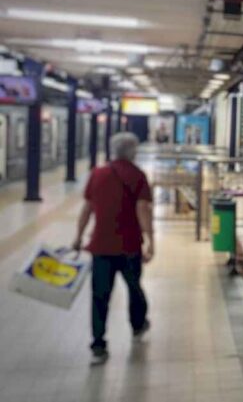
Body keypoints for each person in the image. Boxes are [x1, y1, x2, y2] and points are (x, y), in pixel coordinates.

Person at [72, 132, 154, 364]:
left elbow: (87, 209)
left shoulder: (97, 174)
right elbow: (142, 210)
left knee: (100, 296)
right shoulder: (137, 175)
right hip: (129, 246)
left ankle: (98, 344)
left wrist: (78, 237)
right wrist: (151, 241)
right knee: (134, 287)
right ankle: (138, 325)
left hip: (101, 246)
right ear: (132, 152)